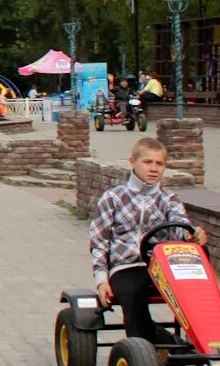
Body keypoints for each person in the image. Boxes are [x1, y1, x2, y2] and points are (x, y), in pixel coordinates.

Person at [88, 136, 210, 345]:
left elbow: (180, 224)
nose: (153, 168)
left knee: (203, 295)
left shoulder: (168, 199)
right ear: (132, 162)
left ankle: (212, 345)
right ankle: (151, 348)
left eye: (159, 164)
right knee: (133, 295)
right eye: (148, 162)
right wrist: (101, 280)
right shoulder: (113, 198)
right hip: (126, 267)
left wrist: (192, 235)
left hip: (162, 267)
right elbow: (99, 241)